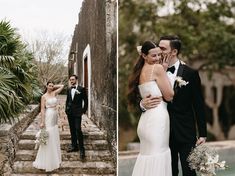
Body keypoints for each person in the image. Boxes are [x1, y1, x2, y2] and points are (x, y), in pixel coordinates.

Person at [141, 35, 207, 176]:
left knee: (189, 172)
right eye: (158, 47)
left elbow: (198, 104)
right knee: (168, 171)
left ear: (174, 52)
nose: (159, 50)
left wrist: (203, 133)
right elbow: (140, 94)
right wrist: (141, 104)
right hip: (161, 132)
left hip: (185, 131)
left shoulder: (190, 73)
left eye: (163, 48)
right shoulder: (150, 70)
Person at [128, 41, 174, 176]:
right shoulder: (158, 69)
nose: (158, 58)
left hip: (145, 121)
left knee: (148, 158)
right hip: (157, 120)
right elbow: (169, 96)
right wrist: (164, 72)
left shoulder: (139, 71)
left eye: (159, 55)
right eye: (154, 56)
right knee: (158, 157)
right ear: (144, 55)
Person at [33, 81, 64, 172]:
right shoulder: (43, 97)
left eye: (52, 85)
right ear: (46, 86)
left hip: (55, 115)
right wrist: (42, 121)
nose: (51, 87)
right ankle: (47, 160)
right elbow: (42, 110)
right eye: (49, 85)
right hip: (49, 115)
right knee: (48, 135)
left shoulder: (54, 92)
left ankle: (54, 158)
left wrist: (54, 86)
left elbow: (62, 86)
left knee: (54, 134)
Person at [65, 74, 88, 160]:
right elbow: (68, 100)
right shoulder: (68, 89)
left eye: (73, 79)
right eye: (70, 80)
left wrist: (83, 111)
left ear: (76, 80)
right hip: (70, 113)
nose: (71, 81)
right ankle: (74, 146)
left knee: (78, 129)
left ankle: (82, 149)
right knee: (72, 129)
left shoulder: (81, 89)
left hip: (78, 113)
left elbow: (85, 101)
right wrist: (66, 110)